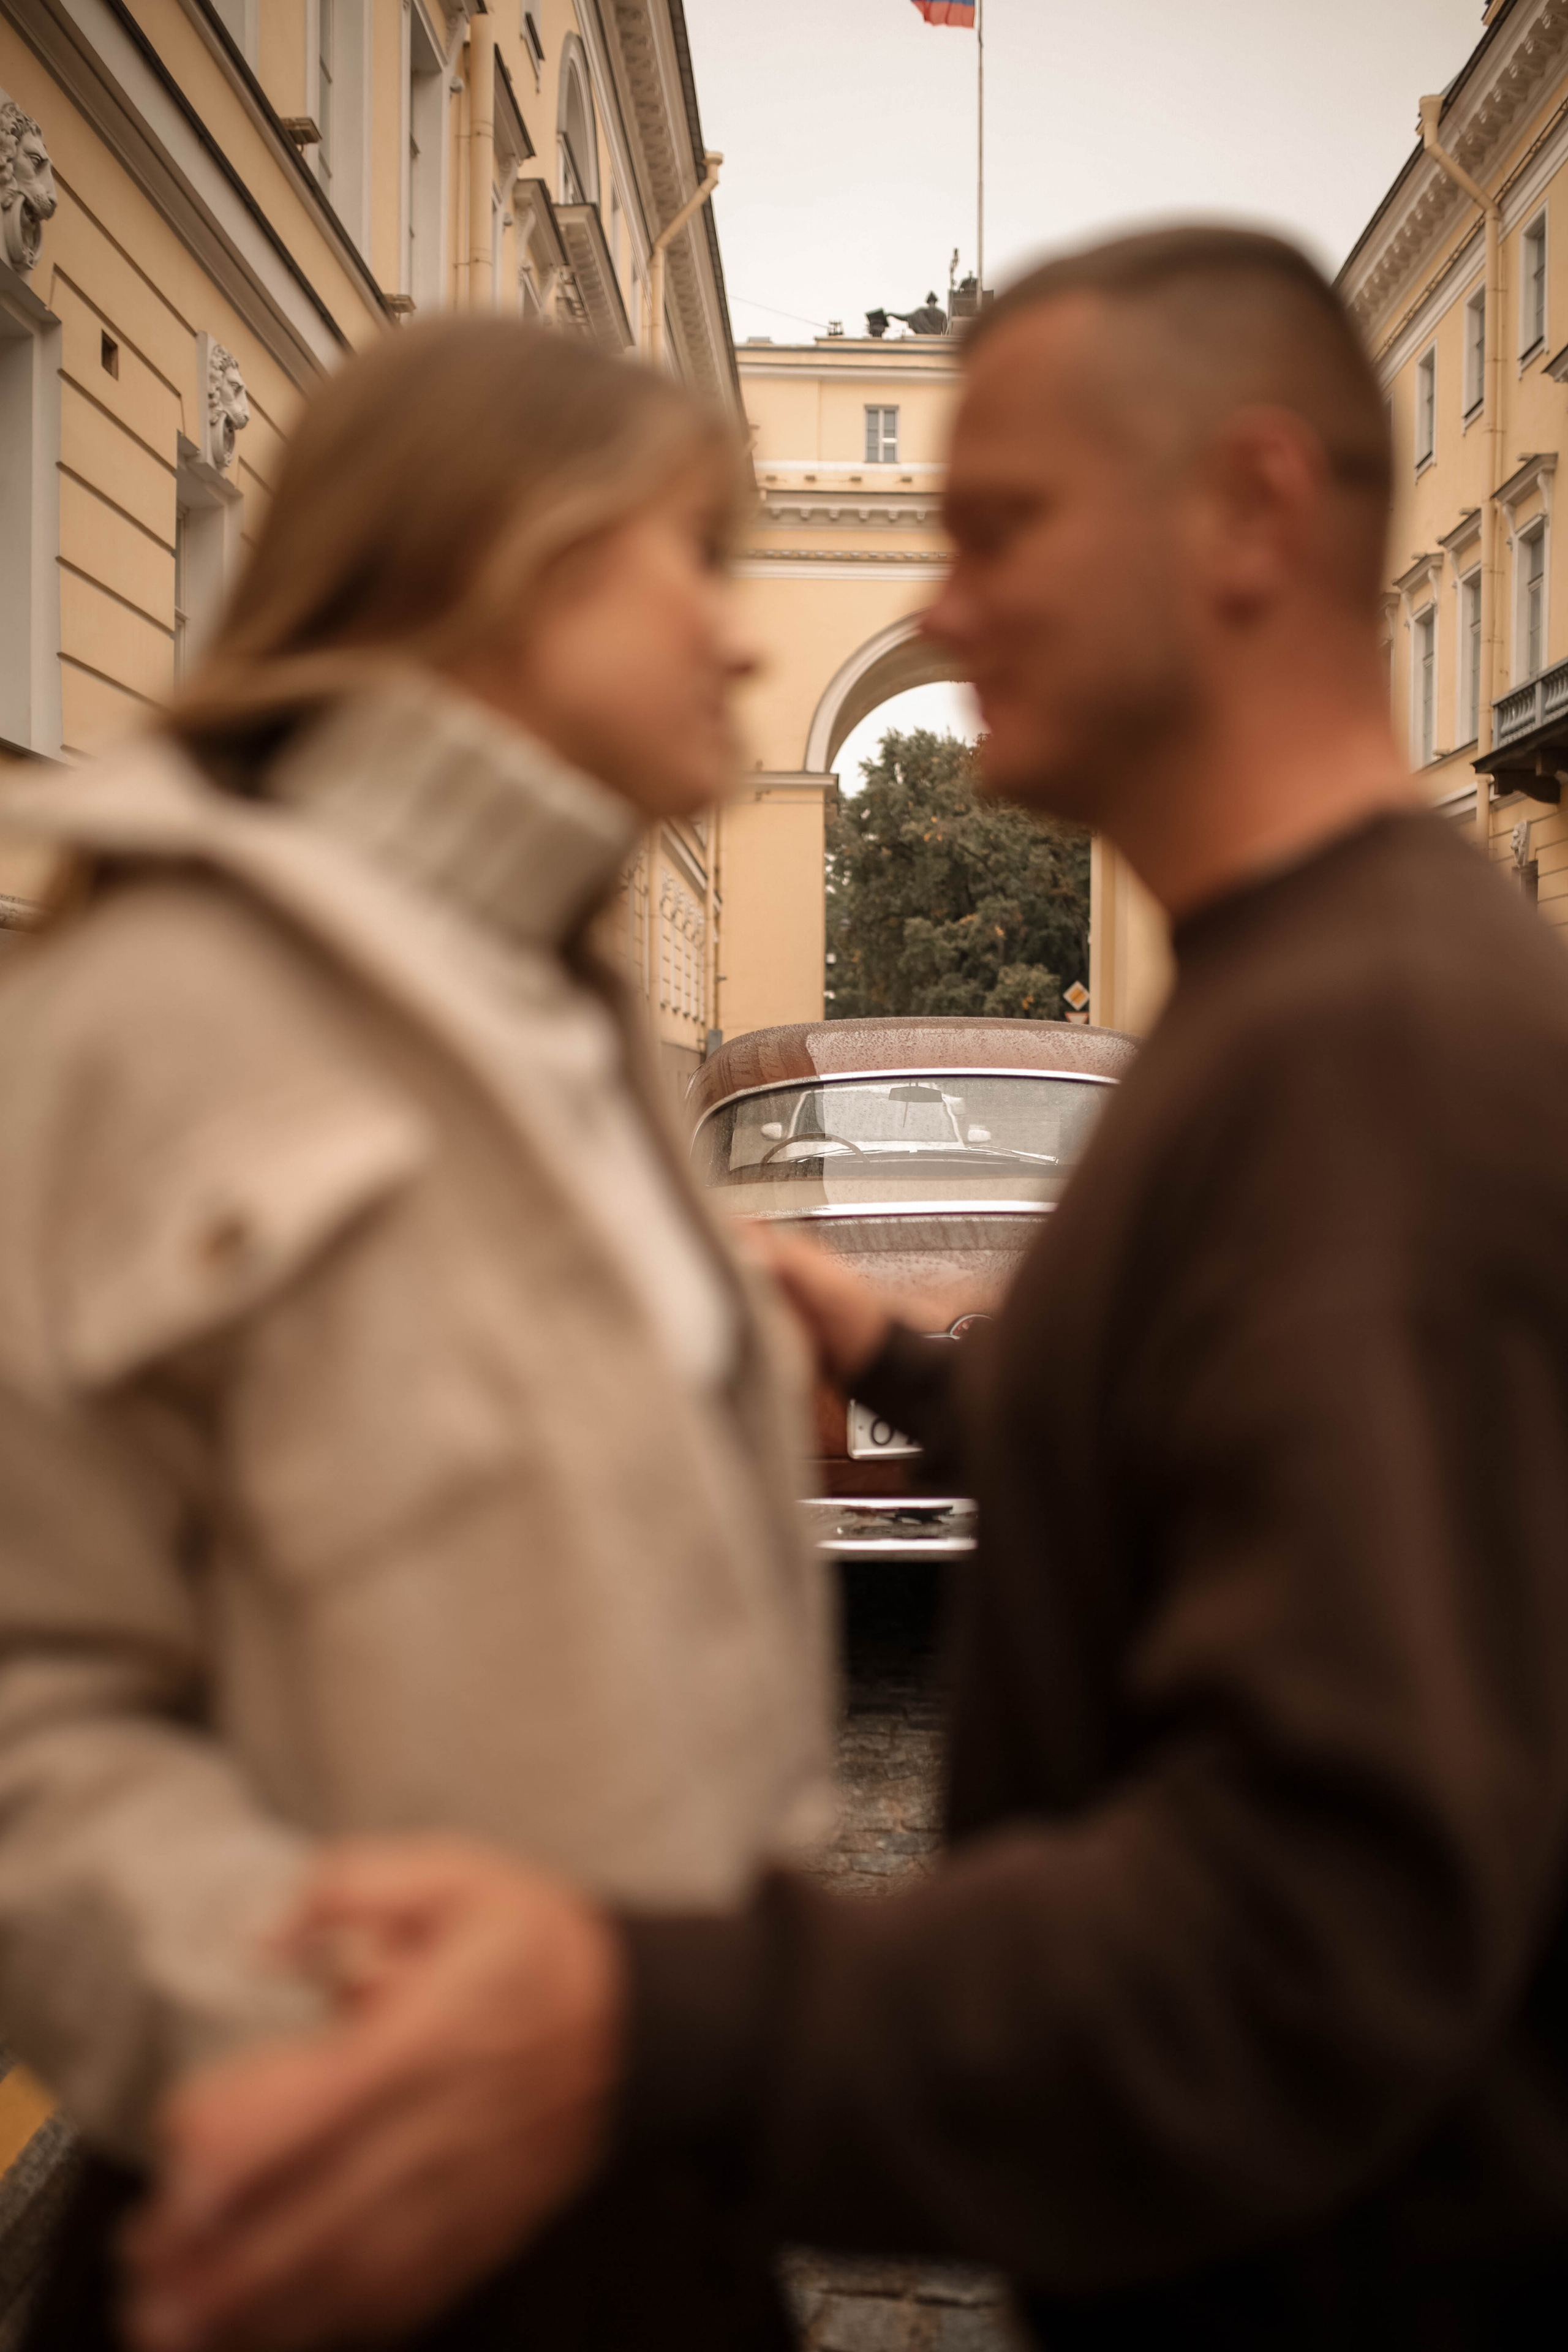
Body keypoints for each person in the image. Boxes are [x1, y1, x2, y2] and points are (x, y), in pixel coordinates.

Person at [127, 224, 1568, 2351]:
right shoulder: (1288, 1002)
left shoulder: (1368, 1051)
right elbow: (1195, 1459)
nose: (945, 600)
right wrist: (896, 1352)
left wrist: (648, 2018)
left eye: (1000, 526)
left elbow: (1314, 1926)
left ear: (1254, 512)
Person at [0, 318, 837, 2351]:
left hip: (670, 2217)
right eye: (695, 557)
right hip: (326, 2238)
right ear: (507, 563)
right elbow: (37, 1689)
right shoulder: (142, 1007)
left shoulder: (575, 1023)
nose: (742, 638)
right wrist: (335, 2054)